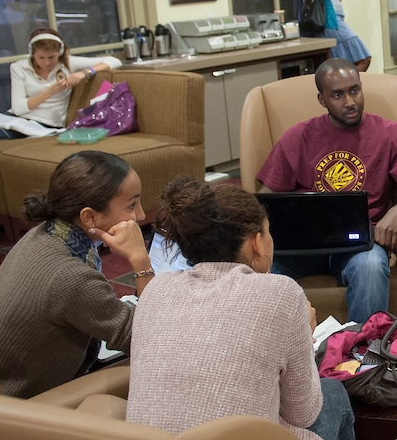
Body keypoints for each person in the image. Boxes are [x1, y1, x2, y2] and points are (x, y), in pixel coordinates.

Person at [126, 176, 355, 440]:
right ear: (255, 242)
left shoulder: (155, 288)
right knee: (333, 392)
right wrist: (301, 334)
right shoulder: (282, 293)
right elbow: (303, 415)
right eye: (267, 232)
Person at [257, 58, 397, 323]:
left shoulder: (393, 134)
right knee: (255, 271)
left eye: (354, 91)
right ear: (322, 99)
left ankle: (364, 352)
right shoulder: (297, 137)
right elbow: (265, 197)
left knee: (371, 267)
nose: (349, 102)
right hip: (301, 246)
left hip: (359, 243)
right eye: (337, 95)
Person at [0, 151, 152, 398]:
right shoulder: (70, 277)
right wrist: (141, 261)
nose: (140, 215)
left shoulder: (44, 234)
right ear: (89, 216)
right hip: (24, 405)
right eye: (131, 205)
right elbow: (150, 338)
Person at [0, 28, 121, 167]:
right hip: (16, 117)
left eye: (51, 57)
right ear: (32, 54)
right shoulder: (19, 67)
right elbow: (19, 108)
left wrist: (85, 72)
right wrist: (50, 91)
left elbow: (113, 60)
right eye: (41, 58)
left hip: (44, 124)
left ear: (59, 53)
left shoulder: (67, 63)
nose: (47, 62)